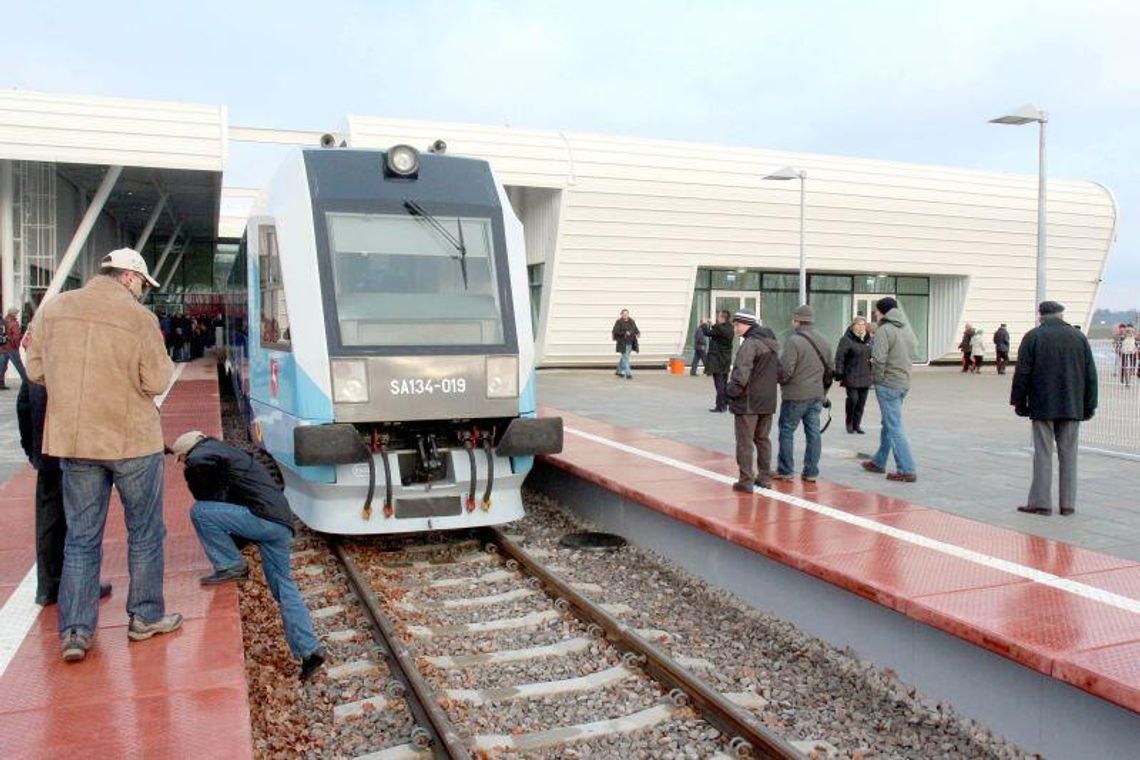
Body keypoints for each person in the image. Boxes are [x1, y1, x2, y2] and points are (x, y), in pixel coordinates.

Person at [25, 248, 180, 663]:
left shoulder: (56, 309)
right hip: (132, 442)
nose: (143, 293)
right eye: (144, 286)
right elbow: (158, 379)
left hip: (77, 443)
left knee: (80, 538)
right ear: (130, 277)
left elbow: (35, 371)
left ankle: (76, 631)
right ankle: (145, 616)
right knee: (145, 532)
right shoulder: (139, 318)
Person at [171, 430, 325, 680]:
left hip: (262, 520)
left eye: (183, 459)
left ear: (187, 452)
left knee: (200, 512)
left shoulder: (201, 455)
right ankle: (309, 651)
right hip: (280, 524)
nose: (185, 465)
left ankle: (231, 565)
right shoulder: (230, 451)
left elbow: (203, 480)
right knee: (284, 589)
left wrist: (193, 469)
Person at [16, 348, 113, 607]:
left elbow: (23, 405)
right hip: (74, 452)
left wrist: (33, 452)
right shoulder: (76, 360)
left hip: (46, 456)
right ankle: (80, 586)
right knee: (81, 523)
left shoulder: (39, 362)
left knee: (48, 522)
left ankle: (48, 587)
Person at [1010, 301, 1097, 516]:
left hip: (1042, 405)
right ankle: (1067, 504)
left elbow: (1022, 373)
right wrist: (1089, 405)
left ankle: (1041, 502)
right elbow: (1090, 375)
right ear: (1061, 315)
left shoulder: (1033, 337)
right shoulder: (1079, 337)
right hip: (1072, 405)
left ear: (1041, 316)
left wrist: (1019, 402)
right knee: (1069, 454)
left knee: (1043, 453)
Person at [861, 297, 918, 483]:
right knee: (888, 422)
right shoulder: (906, 329)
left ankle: (906, 469)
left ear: (882, 311)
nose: (875, 315)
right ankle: (879, 461)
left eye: (876, 311)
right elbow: (913, 352)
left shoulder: (885, 330)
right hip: (903, 382)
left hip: (887, 383)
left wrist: (877, 379)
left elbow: (878, 358)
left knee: (894, 426)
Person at [775, 305, 832, 483]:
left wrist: (781, 381)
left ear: (796, 320)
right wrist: (823, 392)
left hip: (795, 394)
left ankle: (786, 470)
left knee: (786, 430)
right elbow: (830, 369)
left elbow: (786, 370)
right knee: (814, 433)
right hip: (816, 394)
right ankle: (811, 472)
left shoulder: (794, 341)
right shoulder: (824, 340)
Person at [725, 311, 780, 492]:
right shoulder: (772, 345)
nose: (735, 328)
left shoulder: (750, 344)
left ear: (746, 324)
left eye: (737, 324)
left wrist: (731, 392)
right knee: (763, 439)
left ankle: (746, 480)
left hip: (748, 401)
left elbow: (742, 372)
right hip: (768, 401)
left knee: (745, 441)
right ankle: (764, 477)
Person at [834, 316, 873, 434]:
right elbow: (839, 357)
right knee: (853, 400)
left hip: (865, 376)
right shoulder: (846, 340)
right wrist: (839, 372)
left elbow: (873, 355)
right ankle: (849, 423)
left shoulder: (869, 340)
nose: (861, 327)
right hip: (851, 375)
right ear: (852, 326)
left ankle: (857, 425)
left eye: (863, 325)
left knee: (861, 403)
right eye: (858, 324)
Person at [703, 311, 735, 412]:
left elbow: (707, 332)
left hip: (717, 359)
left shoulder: (720, 329)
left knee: (719, 383)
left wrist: (704, 324)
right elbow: (716, 330)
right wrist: (712, 325)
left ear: (722, 318)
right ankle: (724, 403)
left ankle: (720, 405)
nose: (717, 318)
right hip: (726, 360)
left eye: (718, 317)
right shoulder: (730, 328)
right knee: (724, 382)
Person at [0, 307, 26, 389]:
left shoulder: (3, 321)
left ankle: (1, 384)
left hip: (2, 347)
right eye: (16, 313)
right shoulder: (14, 323)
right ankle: (27, 383)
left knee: (2, 367)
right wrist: (16, 346)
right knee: (19, 366)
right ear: (13, 314)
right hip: (11, 348)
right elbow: (16, 337)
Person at [611, 309, 639, 380]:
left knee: (624, 357)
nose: (625, 315)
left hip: (630, 342)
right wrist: (624, 333)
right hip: (622, 342)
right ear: (621, 314)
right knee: (625, 358)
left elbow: (635, 329)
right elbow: (615, 331)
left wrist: (638, 333)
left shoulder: (631, 321)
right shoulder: (619, 322)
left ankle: (618, 371)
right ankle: (628, 373)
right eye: (624, 314)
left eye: (627, 314)